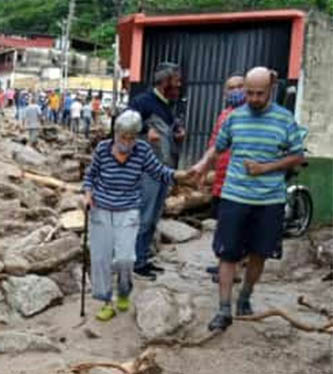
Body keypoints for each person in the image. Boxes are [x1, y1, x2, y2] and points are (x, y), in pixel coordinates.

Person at [191, 67, 306, 331]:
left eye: (259, 94)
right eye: (249, 93)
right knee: (227, 253)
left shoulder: (285, 119)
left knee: (259, 254)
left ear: (270, 90)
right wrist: (201, 165)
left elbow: (297, 156)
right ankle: (223, 309)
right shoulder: (235, 118)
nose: (253, 99)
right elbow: (217, 148)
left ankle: (245, 296)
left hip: (269, 200)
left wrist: (265, 168)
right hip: (234, 196)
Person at [83, 110, 190, 322]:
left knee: (125, 258)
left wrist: (183, 176)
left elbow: (159, 171)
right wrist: (87, 195)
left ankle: (123, 291)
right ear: (115, 133)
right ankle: (106, 301)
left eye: (132, 137)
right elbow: (90, 176)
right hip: (101, 209)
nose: (127, 141)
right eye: (123, 136)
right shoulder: (103, 149)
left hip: (129, 209)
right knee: (101, 259)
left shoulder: (142, 150)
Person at [128, 62, 185, 280]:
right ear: (164, 82)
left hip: (164, 168)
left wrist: (178, 133)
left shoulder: (169, 105)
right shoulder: (142, 102)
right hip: (147, 170)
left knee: (154, 216)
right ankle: (136, 261)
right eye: (176, 81)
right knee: (145, 215)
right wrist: (144, 130)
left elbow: (169, 133)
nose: (179, 85)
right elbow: (122, 122)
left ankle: (143, 258)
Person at [205, 72, 245, 277]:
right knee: (222, 223)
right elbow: (215, 142)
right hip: (221, 179)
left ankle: (234, 269)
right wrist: (206, 167)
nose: (236, 91)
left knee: (235, 226)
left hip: (239, 179)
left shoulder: (248, 115)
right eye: (231, 87)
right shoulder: (224, 114)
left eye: (240, 86)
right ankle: (223, 262)